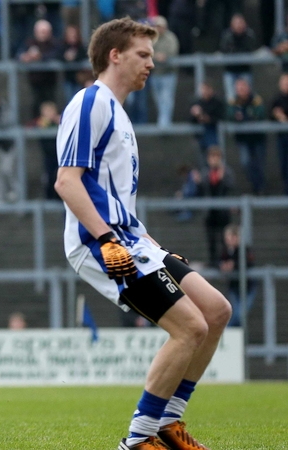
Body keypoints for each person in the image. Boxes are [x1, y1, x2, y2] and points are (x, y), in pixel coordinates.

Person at [54, 18, 231, 450]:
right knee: (188, 327)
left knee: (215, 311)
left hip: (130, 237)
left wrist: (151, 243)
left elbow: (116, 197)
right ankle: (137, 439)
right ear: (115, 55)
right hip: (98, 241)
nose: (152, 63)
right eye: (143, 54)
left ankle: (168, 425)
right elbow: (66, 181)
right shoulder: (90, 101)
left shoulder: (117, 109)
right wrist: (106, 239)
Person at [219, 224, 255, 328]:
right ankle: (233, 336)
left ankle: (226, 331)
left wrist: (234, 265)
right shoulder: (226, 250)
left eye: (229, 237)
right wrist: (222, 265)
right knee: (235, 313)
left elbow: (249, 263)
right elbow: (218, 261)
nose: (227, 240)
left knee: (239, 314)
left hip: (248, 287)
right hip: (234, 287)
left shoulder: (245, 249)